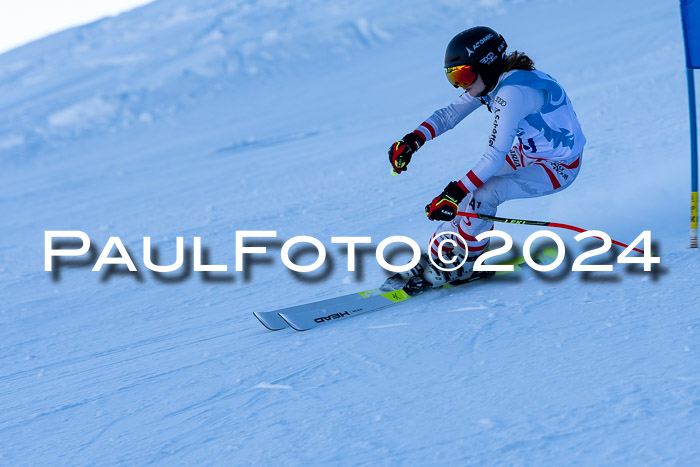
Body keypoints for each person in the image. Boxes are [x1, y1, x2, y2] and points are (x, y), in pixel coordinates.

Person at [387, 26, 585, 291]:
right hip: (530, 153)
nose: (461, 86)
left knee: (483, 192)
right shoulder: (494, 81)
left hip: (559, 166)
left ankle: (467, 262)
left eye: (465, 75)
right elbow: (448, 115)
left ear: (487, 64)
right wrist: (413, 140)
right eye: (454, 78)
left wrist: (453, 192)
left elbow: (494, 156)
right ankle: (445, 250)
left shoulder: (511, 93)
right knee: (470, 193)